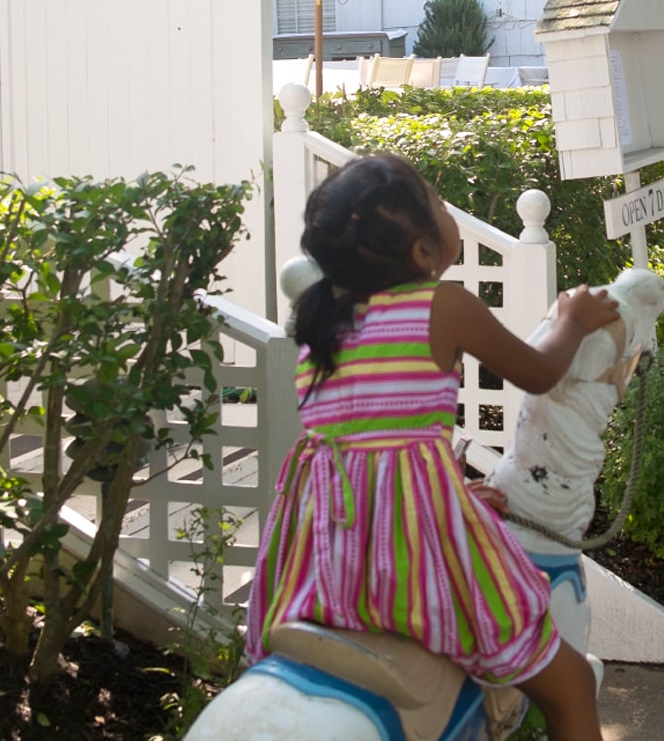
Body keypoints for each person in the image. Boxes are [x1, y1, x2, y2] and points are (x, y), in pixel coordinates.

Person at [247, 153, 617, 741]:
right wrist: (572, 317)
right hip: (411, 564)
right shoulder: (442, 306)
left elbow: (372, 449)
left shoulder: (321, 320)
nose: (448, 213)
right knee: (571, 688)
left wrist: (454, 493)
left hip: (323, 560)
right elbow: (541, 372)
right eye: (441, 207)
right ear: (423, 253)